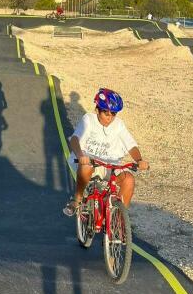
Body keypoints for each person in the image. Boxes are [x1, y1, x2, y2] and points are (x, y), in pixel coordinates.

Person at [63, 88, 149, 216]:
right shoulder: (88, 120)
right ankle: (77, 199)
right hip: (89, 161)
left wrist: (139, 160)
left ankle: (118, 219)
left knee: (129, 179)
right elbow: (75, 139)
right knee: (86, 166)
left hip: (111, 164)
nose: (110, 117)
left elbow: (131, 145)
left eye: (113, 114)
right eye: (106, 113)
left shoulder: (119, 125)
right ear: (97, 110)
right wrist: (81, 155)